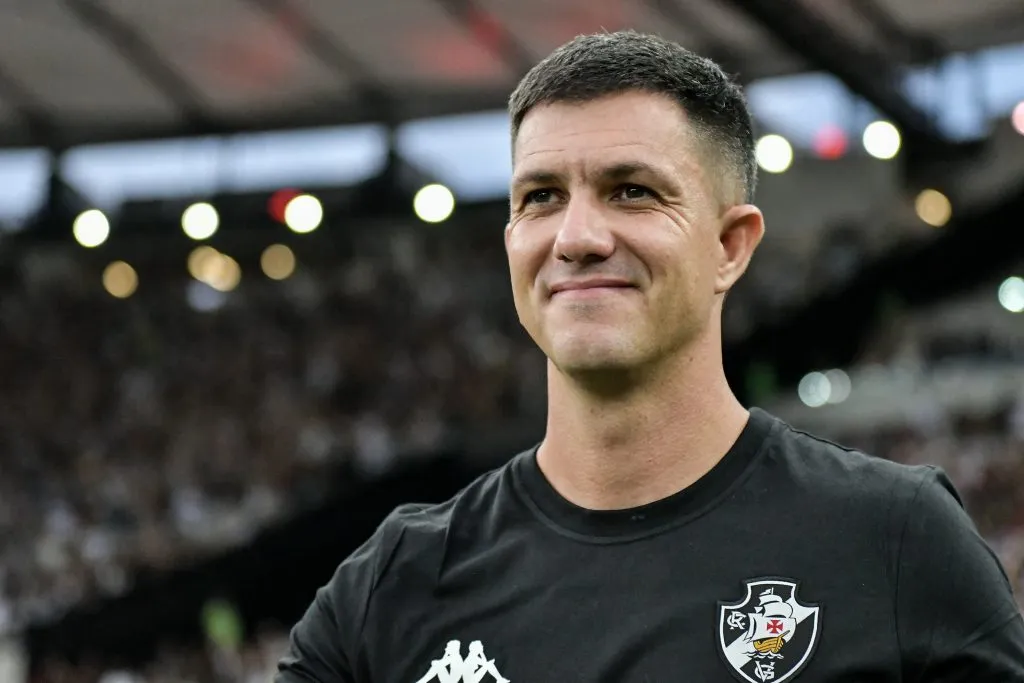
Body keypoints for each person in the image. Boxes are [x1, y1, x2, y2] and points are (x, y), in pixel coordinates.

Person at [276, 31, 1024, 682]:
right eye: (540, 197)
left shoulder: (893, 540)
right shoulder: (393, 586)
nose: (576, 237)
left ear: (729, 246)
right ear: (511, 243)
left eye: (631, 191)